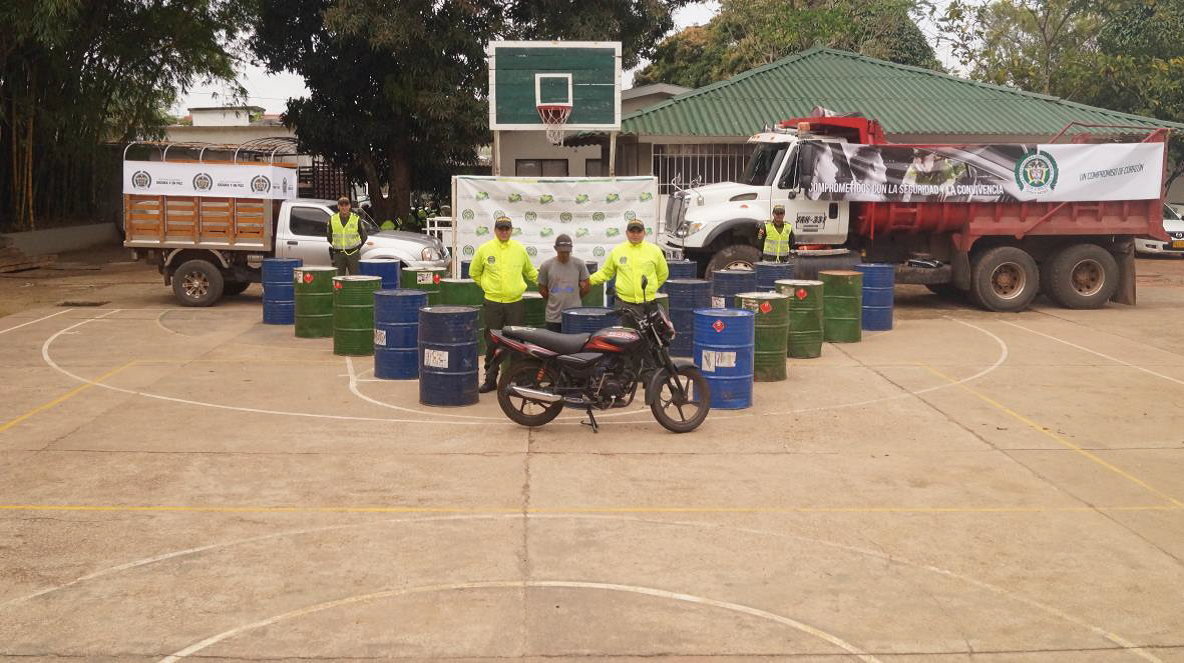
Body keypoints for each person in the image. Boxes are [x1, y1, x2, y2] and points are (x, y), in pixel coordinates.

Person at [469, 215, 539, 393]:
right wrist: (487, 286)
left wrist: (546, 284)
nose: (504, 232)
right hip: (493, 303)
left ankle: (515, 379)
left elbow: (531, 272)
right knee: (492, 342)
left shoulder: (519, 250)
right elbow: (474, 272)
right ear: (495, 230)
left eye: (507, 228)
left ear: (511, 230)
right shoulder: (485, 249)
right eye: (500, 228)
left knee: (516, 343)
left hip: (515, 303)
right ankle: (491, 379)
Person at [588, 219, 668, 322]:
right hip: (623, 305)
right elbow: (605, 273)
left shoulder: (655, 250)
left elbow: (663, 273)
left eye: (639, 231)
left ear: (644, 233)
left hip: (648, 305)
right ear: (627, 233)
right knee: (624, 336)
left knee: (648, 337)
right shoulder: (617, 251)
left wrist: (652, 288)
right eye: (632, 232)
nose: (635, 235)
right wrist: (587, 280)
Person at [538, 234, 590, 332]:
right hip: (553, 317)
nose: (565, 254)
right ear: (555, 249)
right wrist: (555, 299)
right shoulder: (546, 266)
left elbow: (586, 287)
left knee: (574, 346)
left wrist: (574, 298)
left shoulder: (579, 264)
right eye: (562, 252)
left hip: (574, 316)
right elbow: (542, 289)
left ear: (571, 249)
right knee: (553, 346)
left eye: (567, 251)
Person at [326, 196, 367, 275]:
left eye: (346, 205)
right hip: (338, 255)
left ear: (349, 206)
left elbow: (364, 236)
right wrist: (337, 246)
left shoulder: (356, 219)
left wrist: (356, 248)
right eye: (341, 205)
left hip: (353, 254)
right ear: (338, 206)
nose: (344, 207)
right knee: (338, 279)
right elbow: (329, 237)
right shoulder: (332, 219)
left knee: (355, 279)